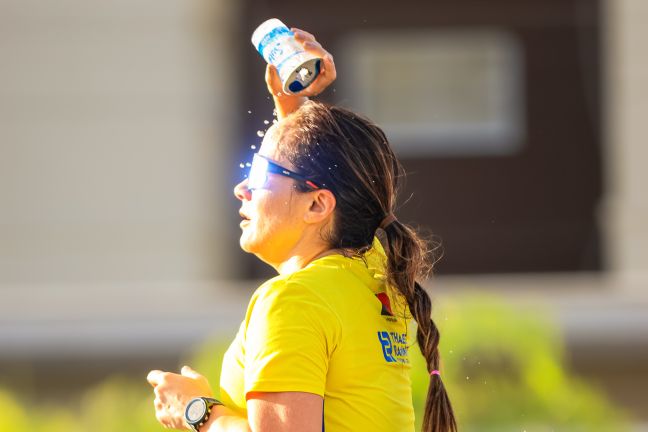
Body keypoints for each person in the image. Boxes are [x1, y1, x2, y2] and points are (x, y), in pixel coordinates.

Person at [147, 28, 456, 432]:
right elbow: (337, 180)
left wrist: (198, 412)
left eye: (258, 173)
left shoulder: (293, 301)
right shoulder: (374, 273)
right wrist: (293, 104)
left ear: (317, 205)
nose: (242, 188)